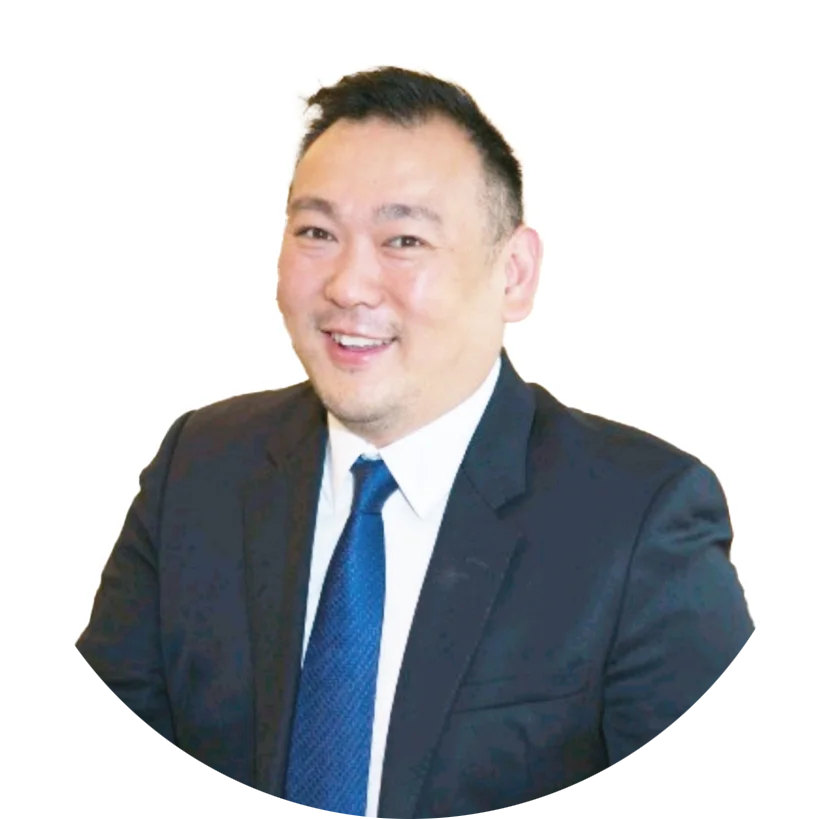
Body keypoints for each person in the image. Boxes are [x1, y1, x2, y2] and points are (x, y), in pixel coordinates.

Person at [73, 66, 762, 818]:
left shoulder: (639, 519)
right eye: (316, 233)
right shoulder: (201, 468)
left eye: (403, 240)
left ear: (514, 274)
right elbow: (93, 766)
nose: (348, 285)